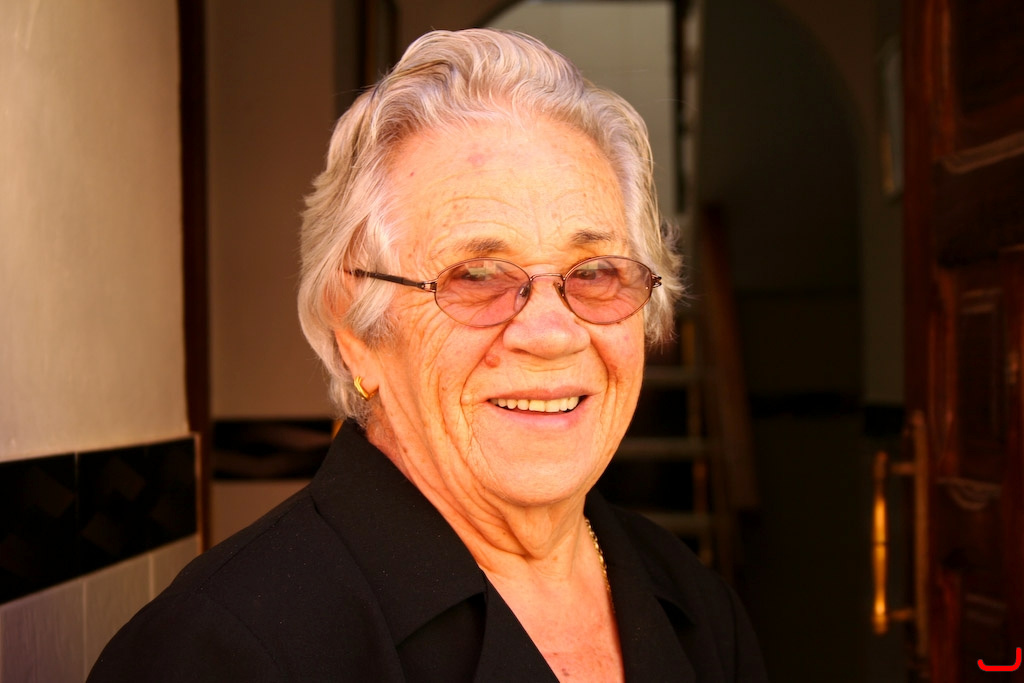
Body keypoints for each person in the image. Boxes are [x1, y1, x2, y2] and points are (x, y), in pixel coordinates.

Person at [89, 28, 766, 682]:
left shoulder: (695, 606)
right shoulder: (219, 652)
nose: (552, 334)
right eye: (477, 275)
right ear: (355, 327)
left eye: (594, 272)